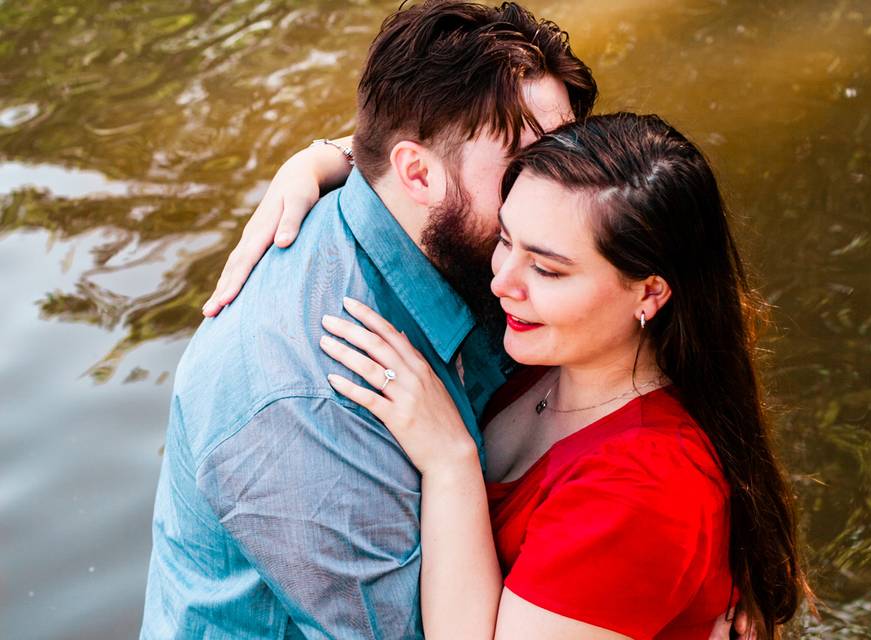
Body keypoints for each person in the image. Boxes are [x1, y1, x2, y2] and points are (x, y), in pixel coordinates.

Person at [141, 2, 597, 638]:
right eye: (529, 165)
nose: (567, 191)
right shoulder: (307, 400)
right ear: (416, 173)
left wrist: (328, 154)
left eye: (566, 150)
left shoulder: (464, 224)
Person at [317, 113, 810, 638]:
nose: (502, 281)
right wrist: (325, 162)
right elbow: (447, 150)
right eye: (505, 240)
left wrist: (449, 462)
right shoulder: (555, 347)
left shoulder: (643, 490)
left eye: (547, 270)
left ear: (649, 292)